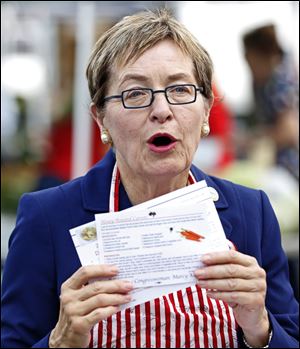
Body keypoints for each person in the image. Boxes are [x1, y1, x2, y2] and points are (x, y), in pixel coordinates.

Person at [1, 9, 298, 348]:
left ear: (205, 111)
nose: (162, 110)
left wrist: (260, 327)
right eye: (135, 94)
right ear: (101, 121)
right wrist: (61, 340)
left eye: (180, 90)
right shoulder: (47, 217)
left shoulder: (251, 211)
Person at [242, 24, 299, 180]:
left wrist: (255, 138)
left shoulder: (281, 82)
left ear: (261, 56)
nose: (247, 64)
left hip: (291, 168)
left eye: (249, 58)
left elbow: (289, 132)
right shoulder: (264, 82)